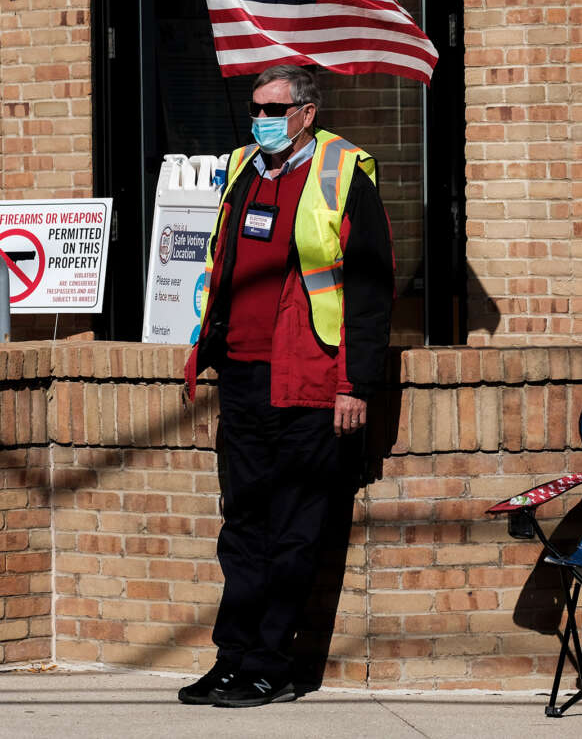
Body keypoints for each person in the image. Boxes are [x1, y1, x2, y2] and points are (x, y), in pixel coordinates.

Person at [181, 64, 394, 707]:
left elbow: (369, 287)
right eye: (255, 107)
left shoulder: (342, 170)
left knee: (292, 530)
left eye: (274, 108)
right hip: (242, 375)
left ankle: (272, 663)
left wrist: (355, 383)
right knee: (242, 525)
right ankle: (233, 657)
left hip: (308, 380)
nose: (262, 118)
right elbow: (226, 260)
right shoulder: (245, 165)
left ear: (306, 111)